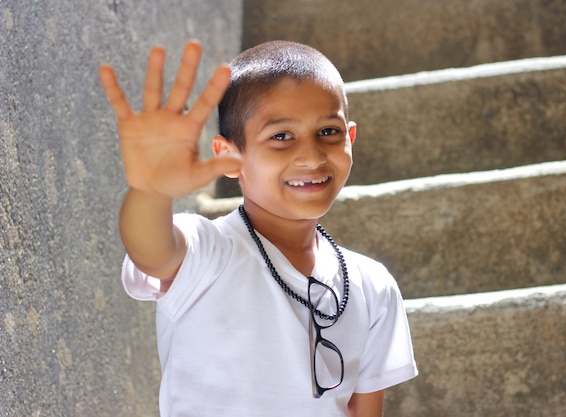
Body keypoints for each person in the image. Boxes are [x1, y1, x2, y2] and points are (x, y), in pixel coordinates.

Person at [99, 39, 417, 417]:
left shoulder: (373, 285)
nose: (311, 156)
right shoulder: (208, 250)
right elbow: (152, 251)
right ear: (229, 157)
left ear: (350, 138)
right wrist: (150, 190)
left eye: (328, 132)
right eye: (281, 137)